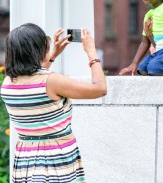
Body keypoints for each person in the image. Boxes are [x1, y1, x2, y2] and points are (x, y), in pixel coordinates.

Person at [0, 23, 107, 182]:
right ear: (36, 49)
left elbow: (35, 78)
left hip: (25, 160)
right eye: (46, 43)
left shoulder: (8, 83)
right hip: (56, 159)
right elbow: (99, 89)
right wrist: (91, 52)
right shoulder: (52, 81)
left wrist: (52, 56)